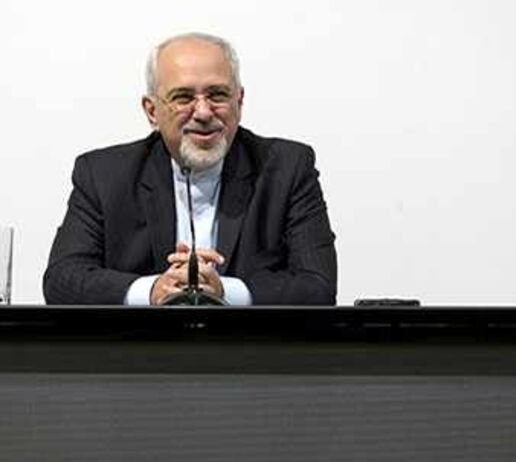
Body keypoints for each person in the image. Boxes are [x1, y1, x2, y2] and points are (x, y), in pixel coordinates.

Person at [43, 32, 337, 305]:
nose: (204, 112)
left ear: (240, 100)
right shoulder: (102, 175)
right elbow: (62, 280)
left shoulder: (287, 168)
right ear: (151, 111)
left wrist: (225, 291)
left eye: (218, 95)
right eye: (183, 97)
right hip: (140, 353)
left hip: (251, 353)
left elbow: (318, 285)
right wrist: (154, 289)